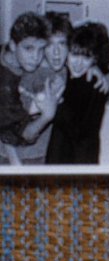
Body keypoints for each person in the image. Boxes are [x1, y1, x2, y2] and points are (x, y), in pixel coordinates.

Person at [46, 20, 109, 167]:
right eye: (75, 54)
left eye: (86, 57)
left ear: (94, 59)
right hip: (62, 154)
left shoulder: (92, 85)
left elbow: (77, 132)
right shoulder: (70, 77)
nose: (78, 63)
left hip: (76, 159)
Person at [0, 12, 54, 163]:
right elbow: (22, 135)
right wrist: (47, 116)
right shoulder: (6, 88)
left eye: (41, 49)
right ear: (13, 45)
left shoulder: (7, 52)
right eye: (28, 49)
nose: (36, 57)